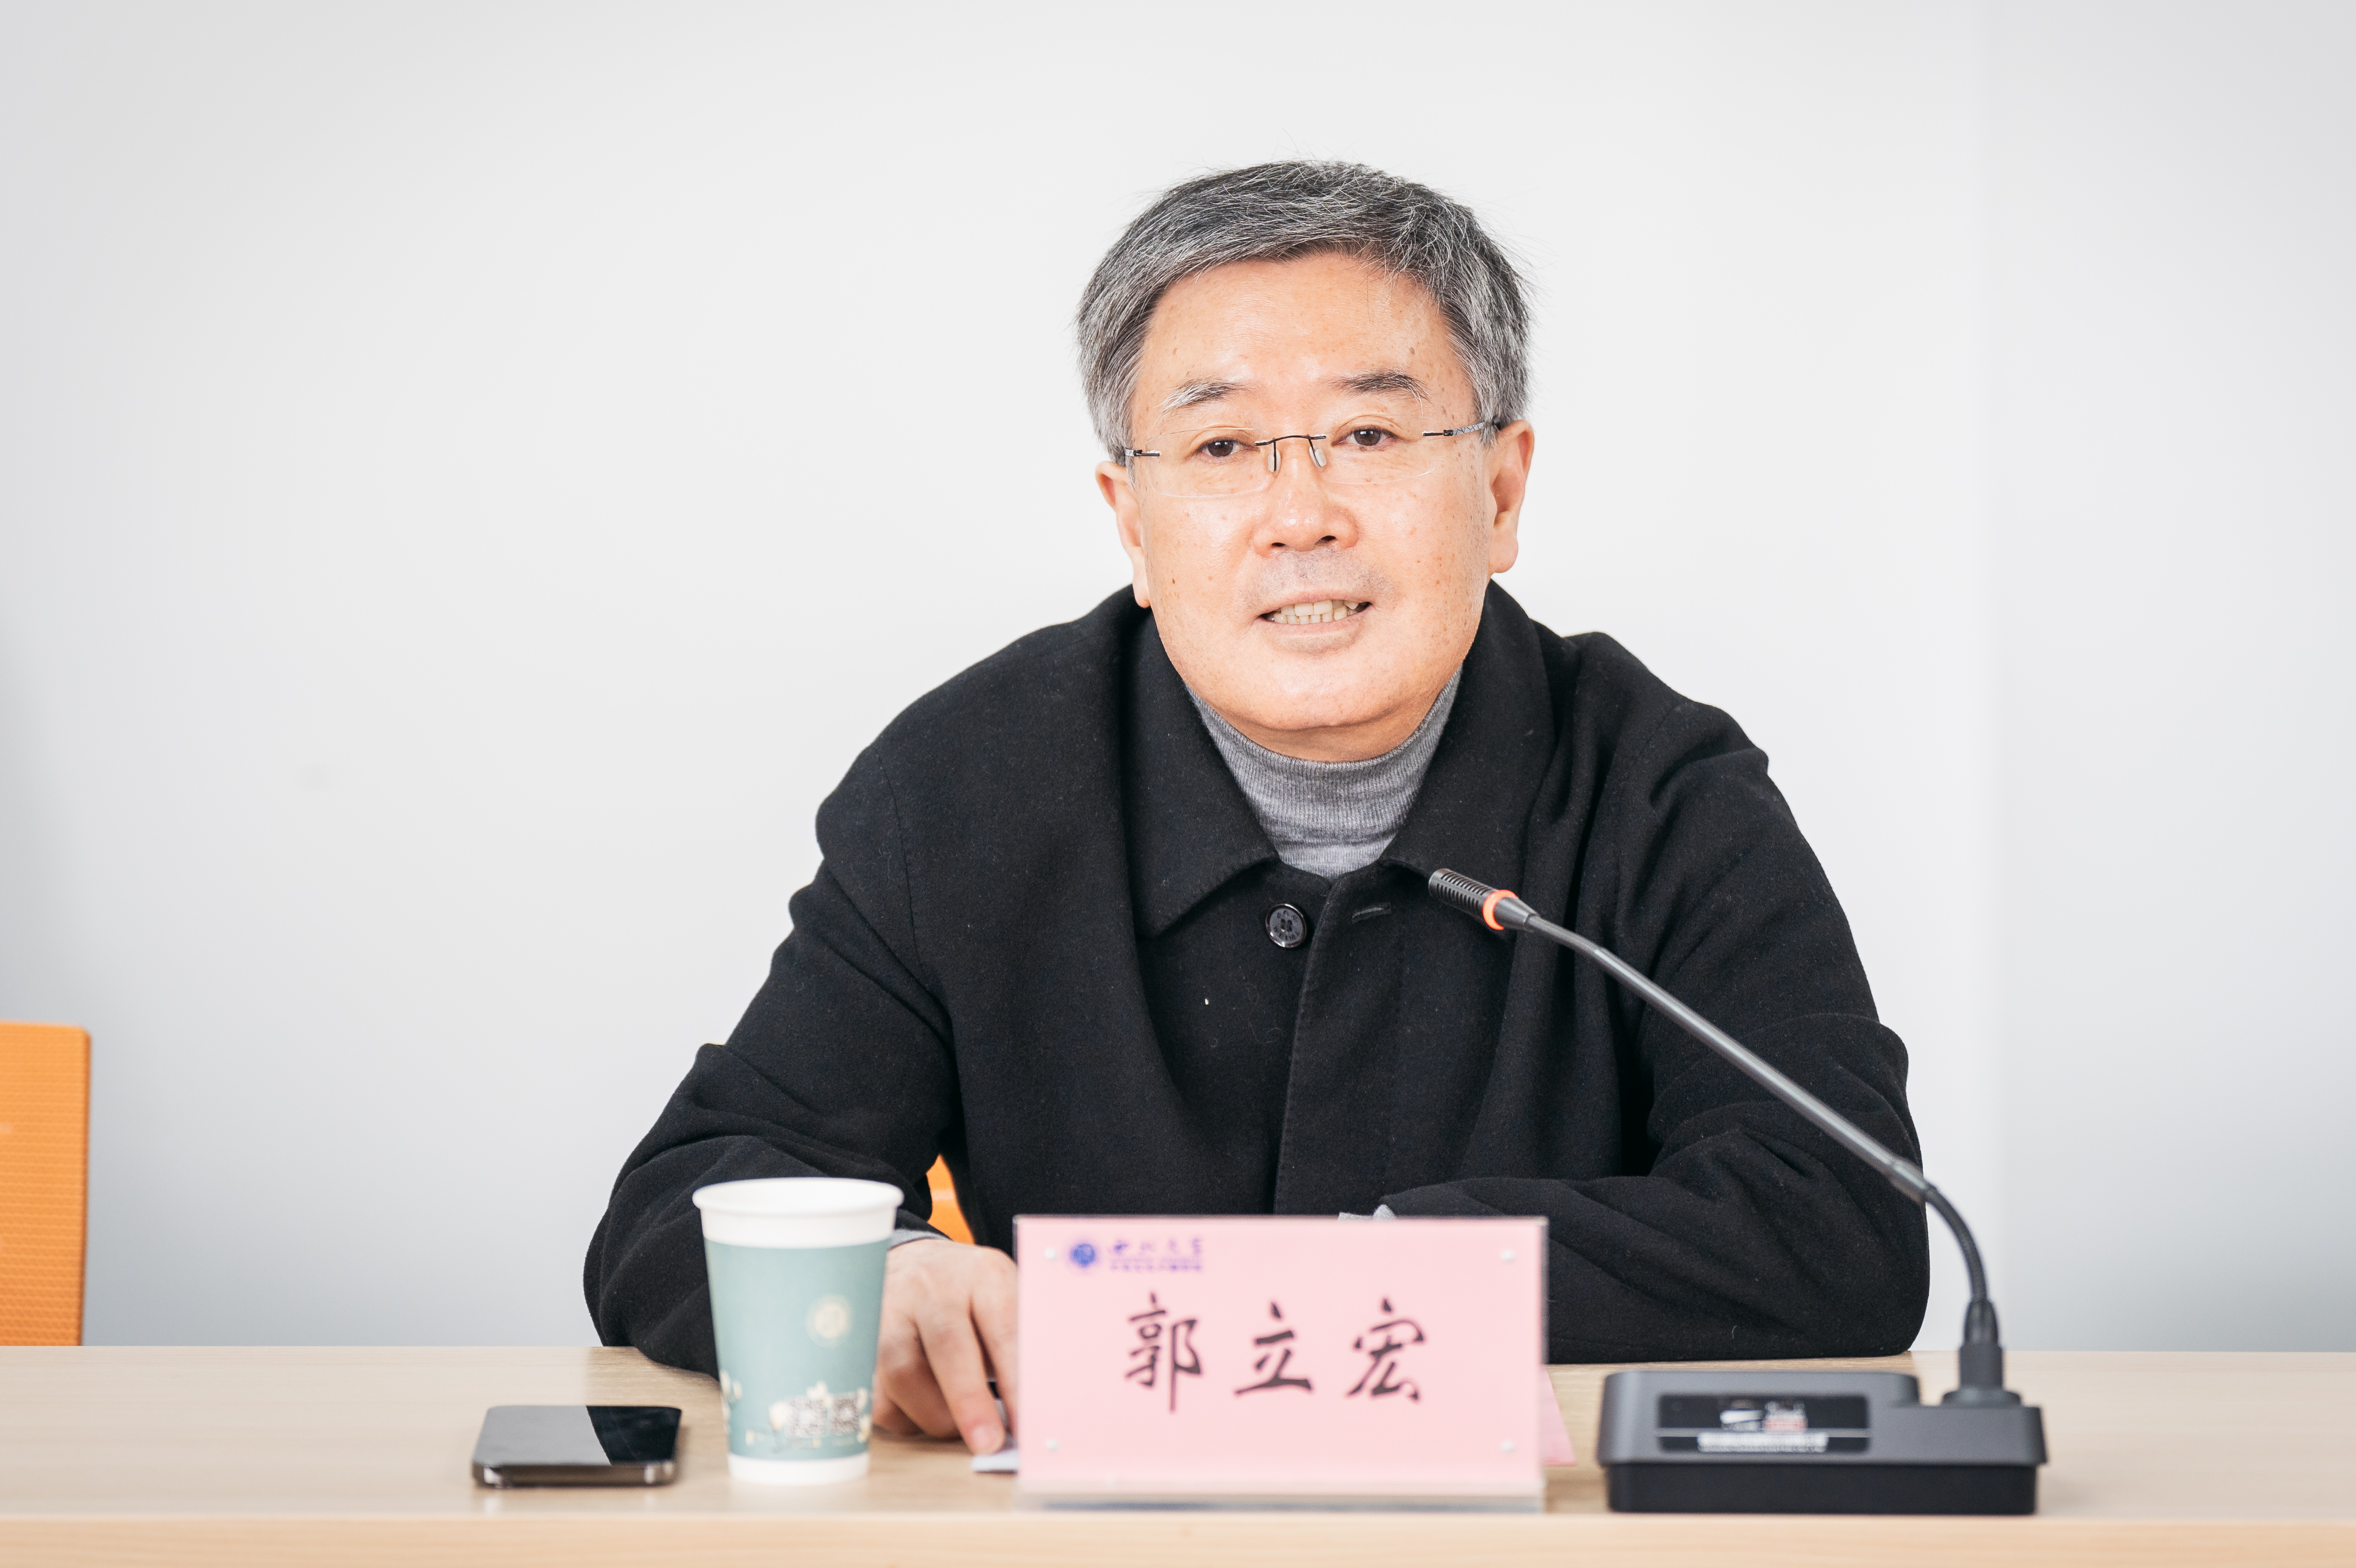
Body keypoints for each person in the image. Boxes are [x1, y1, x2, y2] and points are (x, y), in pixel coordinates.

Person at [585, 162, 1928, 1455]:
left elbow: (1839, 1224)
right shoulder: (963, 784)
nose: (1300, 517)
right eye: (1221, 444)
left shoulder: (1661, 788)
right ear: (1131, 519)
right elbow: (678, 1204)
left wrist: (1357, 1283)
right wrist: (878, 1274)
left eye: (1369, 435)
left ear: (1500, 489)